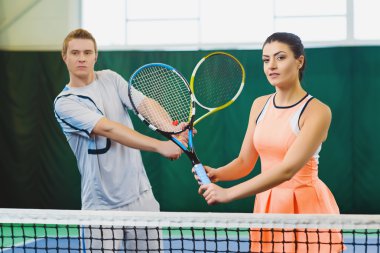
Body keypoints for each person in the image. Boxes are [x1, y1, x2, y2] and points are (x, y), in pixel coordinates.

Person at [196, 32, 344, 252]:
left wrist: (228, 193)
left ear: (299, 61)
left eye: (280, 57)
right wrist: (218, 173)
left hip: (308, 207)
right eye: (266, 60)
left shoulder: (318, 111)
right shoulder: (259, 105)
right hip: (268, 206)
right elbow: (245, 161)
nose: (271, 66)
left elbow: (287, 170)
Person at [54, 28, 186, 252]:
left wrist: (170, 130)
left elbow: (144, 104)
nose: (82, 58)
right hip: (100, 207)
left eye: (87, 52)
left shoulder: (111, 78)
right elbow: (109, 128)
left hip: (141, 198)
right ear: (64, 57)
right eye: (75, 53)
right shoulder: (64, 103)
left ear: (96, 55)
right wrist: (161, 145)